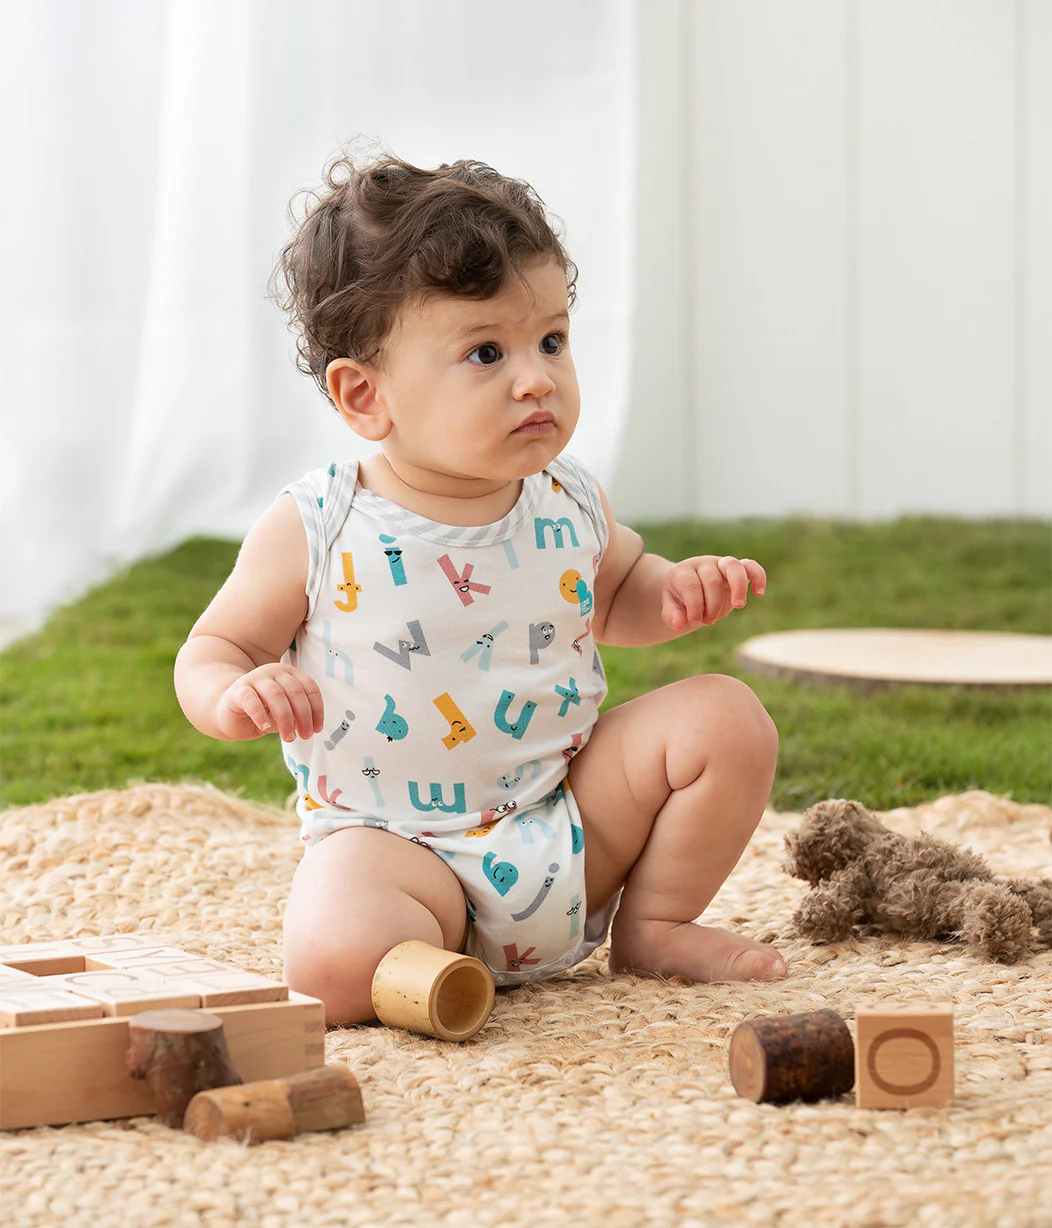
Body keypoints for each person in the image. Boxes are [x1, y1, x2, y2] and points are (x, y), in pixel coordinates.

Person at [174, 149, 786, 1026]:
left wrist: (678, 593)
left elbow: (616, 598)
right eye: (486, 352)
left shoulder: (567, 496)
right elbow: (211, 650)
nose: (536, 376)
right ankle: (432, 957)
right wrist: (236, 691)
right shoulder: (319, 525)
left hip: (567, 818)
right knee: (331, 957)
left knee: (728, 719)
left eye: (552, 340)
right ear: (365, 397)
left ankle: (653, 924)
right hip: (399, 846)